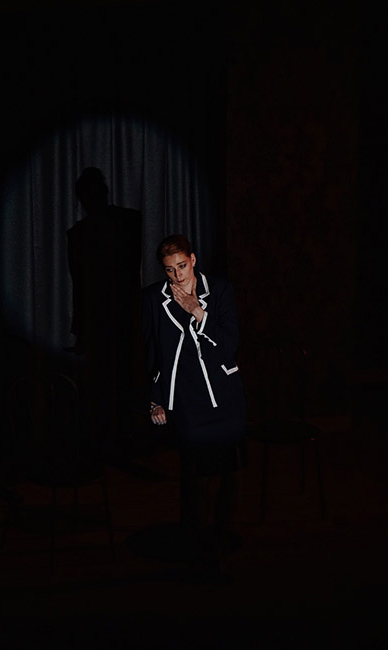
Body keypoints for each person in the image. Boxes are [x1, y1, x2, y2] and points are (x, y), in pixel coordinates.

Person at [142, 233, 247, 577]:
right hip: (186, 399)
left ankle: (220, 542)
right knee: (197, 479)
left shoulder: (220, 291)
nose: (177, 275)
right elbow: (152, 352)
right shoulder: (154, 298)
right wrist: (155, 398)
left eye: (182, 266)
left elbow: (229, 344)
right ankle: (201, 551)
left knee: (229, 476)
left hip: (224, 398)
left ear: (193, 260)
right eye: (169, 270)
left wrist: (198, 311)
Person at [66, 167, 142, 456]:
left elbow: (80, 286)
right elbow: (81, 285)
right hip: (117, 316)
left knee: (110, 381)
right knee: (118, 380)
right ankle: (118, 438)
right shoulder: (127, 222)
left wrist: (80, 330)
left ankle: (112, 438)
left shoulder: (81, 234)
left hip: (106, 318)